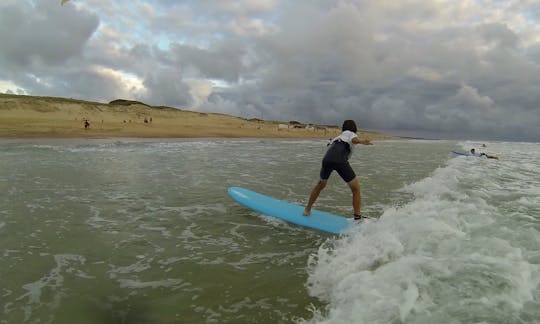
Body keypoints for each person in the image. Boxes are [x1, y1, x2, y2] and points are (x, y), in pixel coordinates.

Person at [303, 120, 372, 220]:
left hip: (327, 159)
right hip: (340, 160)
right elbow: (354, 140)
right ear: (354, 128)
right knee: (356, 189)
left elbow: (330, 146)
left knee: (321, 185)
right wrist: (362, 141)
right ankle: (357, 216)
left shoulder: (338, 137)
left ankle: (307, 210)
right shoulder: (350, 133)